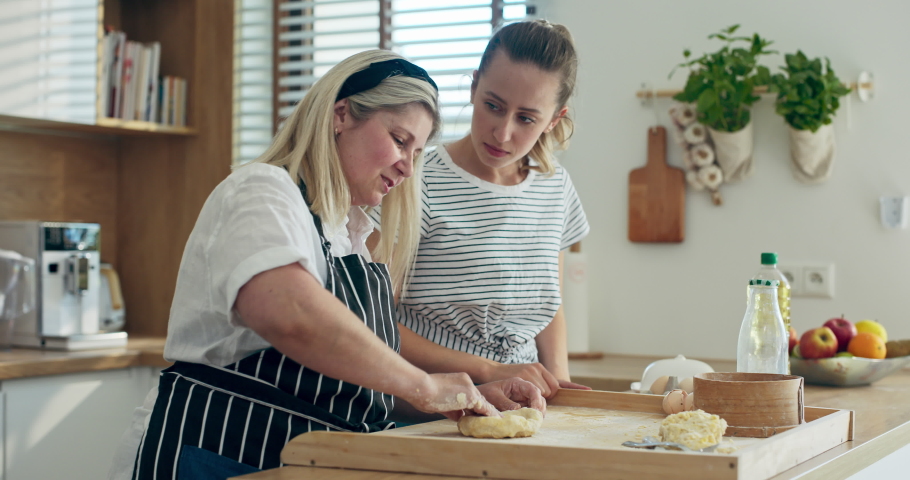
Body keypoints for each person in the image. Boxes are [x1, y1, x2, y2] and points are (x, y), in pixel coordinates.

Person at [108, 49, 545, 480]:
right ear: (341, 116)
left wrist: (455, 399)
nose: (409, 168)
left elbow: (355, 393)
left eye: (417, 152)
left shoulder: (351, 238)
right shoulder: (263, 190)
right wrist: (425, 386)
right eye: (399, 140)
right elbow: (290, 314)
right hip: (216, 456)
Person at [368, 20, 590, 399]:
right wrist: (490, 371)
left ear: (554, 119)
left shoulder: (555, 188)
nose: (502, 133)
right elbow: (371, 321)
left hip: (525, 400)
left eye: (526, 118)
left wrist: (563, 393)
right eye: (493, 106)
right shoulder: (412, 179)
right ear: (473, 87)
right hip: (428, 401)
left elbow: (549, 307)